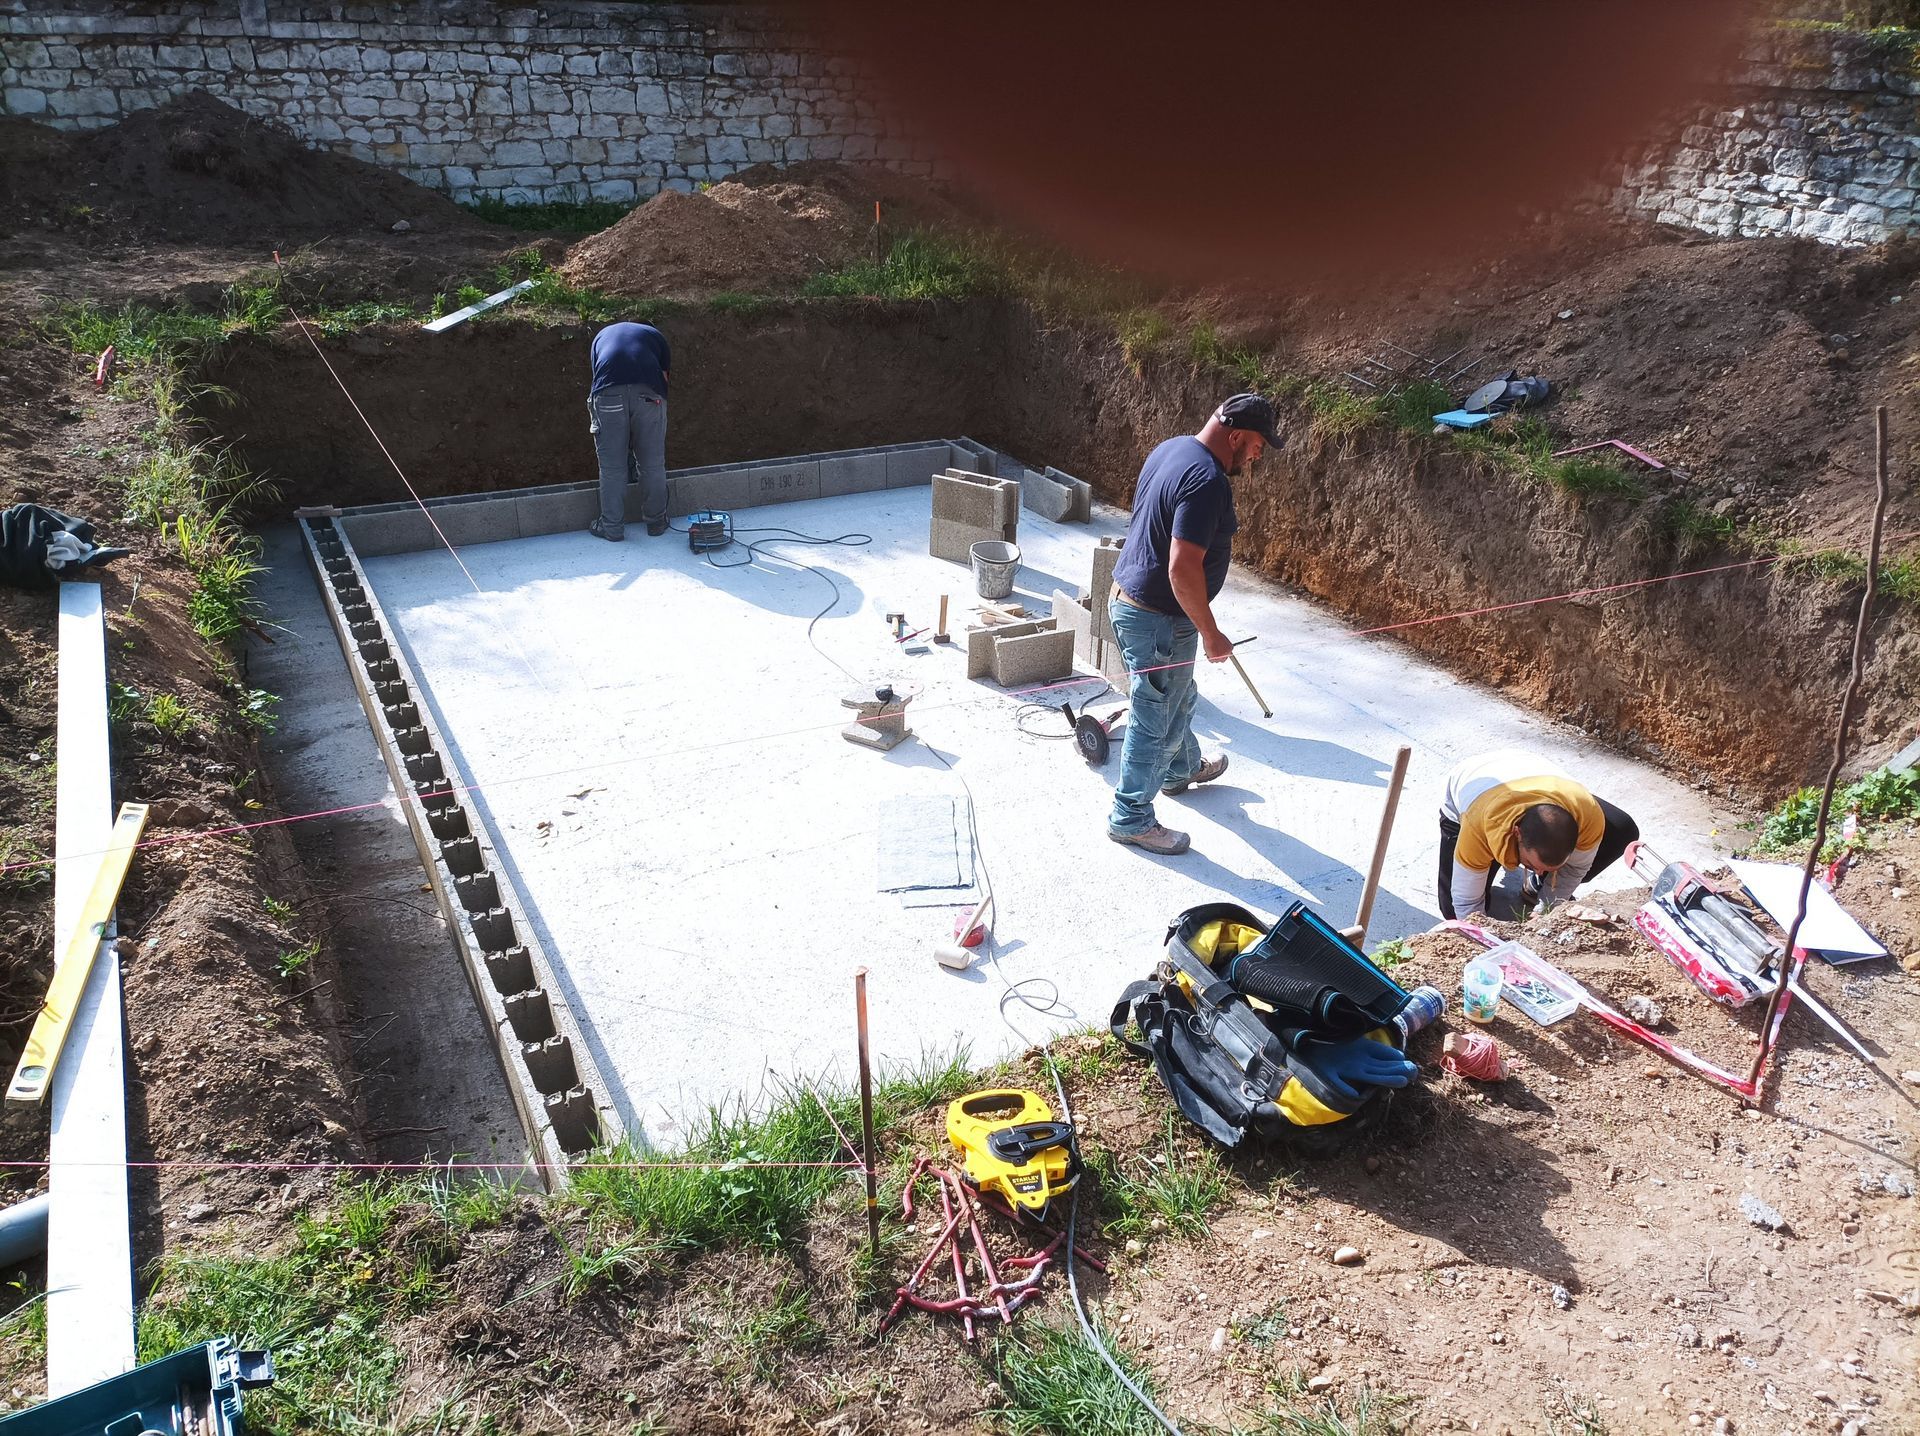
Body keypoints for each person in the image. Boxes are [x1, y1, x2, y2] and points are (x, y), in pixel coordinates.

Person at [1106, 393, 1283, 855]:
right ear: (1237, 434)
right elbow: (1182, 569)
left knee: (1178, 697)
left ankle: (1180, 770)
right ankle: (1131, 818)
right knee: (1155, 721)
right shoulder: (1207, 482)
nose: (1258, 454)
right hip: (1158, 619)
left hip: (1138, 605)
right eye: (1259, 444)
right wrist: (1211, 632)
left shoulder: (1173, 448)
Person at [1436, 749, 1640, 920]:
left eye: (1544, 870)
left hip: (1541, 777)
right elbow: (1467, 903)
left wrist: (1547, 911)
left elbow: (1575, 869)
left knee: (1621, 830)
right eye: (1533, 866)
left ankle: (1534, 887)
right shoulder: (1479, 825)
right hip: (1476, 780)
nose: (1539, 872)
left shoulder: (1588, 817)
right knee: (1452, 912)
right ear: (1516, 834)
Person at [586, 320, 672, 541]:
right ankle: (656, 523)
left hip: (608, 394)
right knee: (652, 463)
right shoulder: (655, 335)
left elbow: (599, 378)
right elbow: (664, 380)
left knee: (612, 468)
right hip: (649, 395)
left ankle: (612, 527)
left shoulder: (602, 336)